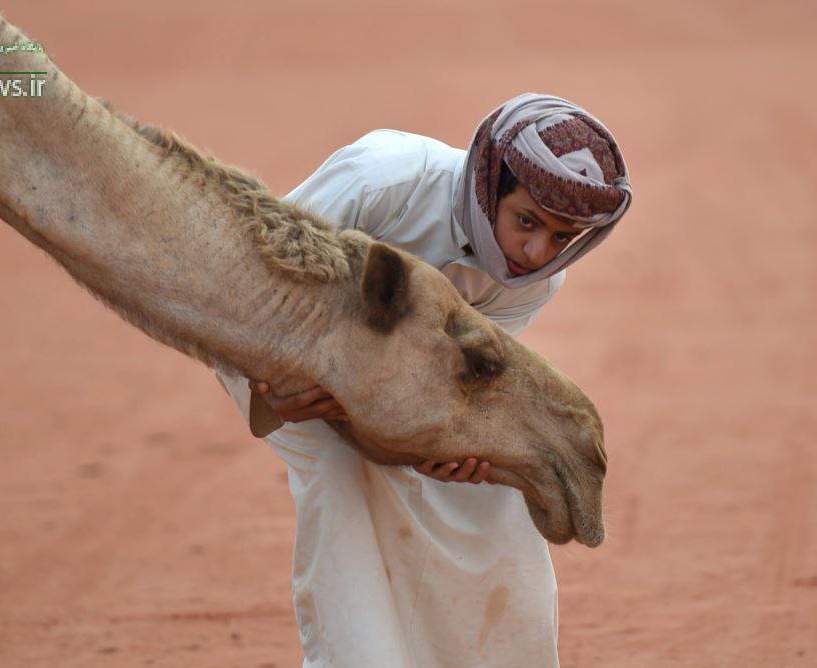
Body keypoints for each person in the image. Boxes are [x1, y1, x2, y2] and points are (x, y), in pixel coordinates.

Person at [218, 93, 632, 668]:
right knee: (345, 493)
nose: (536, 253)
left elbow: (467, 384)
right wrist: (275, 390)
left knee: (491, 508)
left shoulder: (536, 280)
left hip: (423, 401)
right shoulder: (384, 178)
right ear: (491, 186)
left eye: (562, 238)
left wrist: (451, 453)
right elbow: (250, 279)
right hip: (299, 373)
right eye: (527, 222)